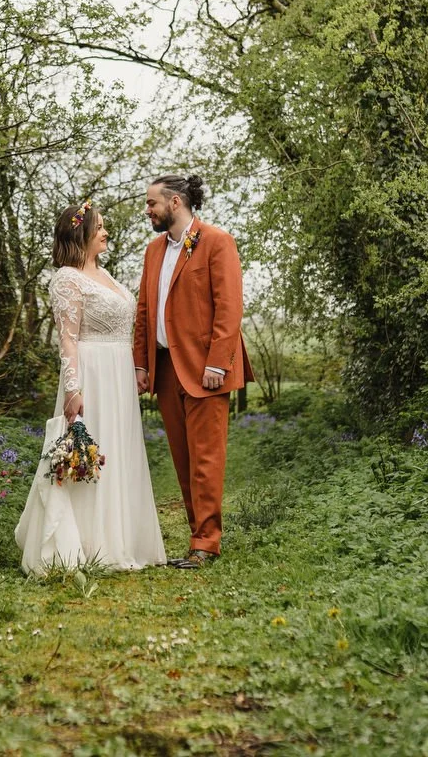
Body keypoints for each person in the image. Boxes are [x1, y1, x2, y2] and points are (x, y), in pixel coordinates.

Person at [14, 201, 168, 575]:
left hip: (118, 375)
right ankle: (85, 543)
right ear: (79, 233)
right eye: (99, 227)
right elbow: (67, 340)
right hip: (91, 375)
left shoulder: (107, 275)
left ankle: (122, 540)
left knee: (117, 452)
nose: (105, 232)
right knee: (85, 454)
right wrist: (72, 389)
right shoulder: (67, 279)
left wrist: (134, 367)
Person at [132, 174, 252, 569]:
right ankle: (195, 536)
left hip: (206, 372)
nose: (147, 210)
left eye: (152, 203)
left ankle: (206, 544)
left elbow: (229, 307)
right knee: (183, 460)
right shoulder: (153, 251)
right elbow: (145, 312)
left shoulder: (218, 242)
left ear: (176, 202)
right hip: (166, 371)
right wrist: (141, 364)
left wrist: (218, 362)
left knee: (206, 460)